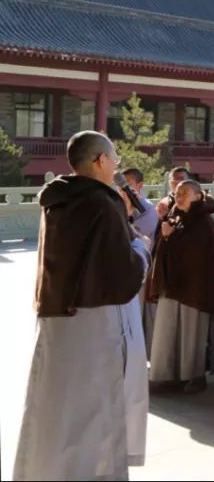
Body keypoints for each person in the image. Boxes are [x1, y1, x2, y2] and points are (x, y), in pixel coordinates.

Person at [14, 131, 151, 480]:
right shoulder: (102, 202)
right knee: (94, 408)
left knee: (56, 402)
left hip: (57, 313)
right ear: (101, 160)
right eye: (114, 158)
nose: (116, 165)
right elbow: (121, 272)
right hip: (95, 318)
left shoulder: (56, 198)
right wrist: (142, 249)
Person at [148, 179, 214, 393]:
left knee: (191, 332)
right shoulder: (175, 215)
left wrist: (170, 237)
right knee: (168, 330)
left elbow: (196, 253)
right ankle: (168, 375)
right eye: (177, 193)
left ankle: (194, 376)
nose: (179, 197)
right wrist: (166, 237)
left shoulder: (204, 221)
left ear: (198, 196)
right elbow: (165, 247)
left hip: (194, 286)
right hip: (172, 284)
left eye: (184, 193)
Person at [122, 166, 159, 358]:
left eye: (128, 185)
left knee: (136, 315)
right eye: (121, 185)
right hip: (119, 268)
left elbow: (134, 236)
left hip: (140, 269)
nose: (124, 190)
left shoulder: (148, 209)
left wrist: (127, 214)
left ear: (140, 185)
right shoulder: (117, 206)